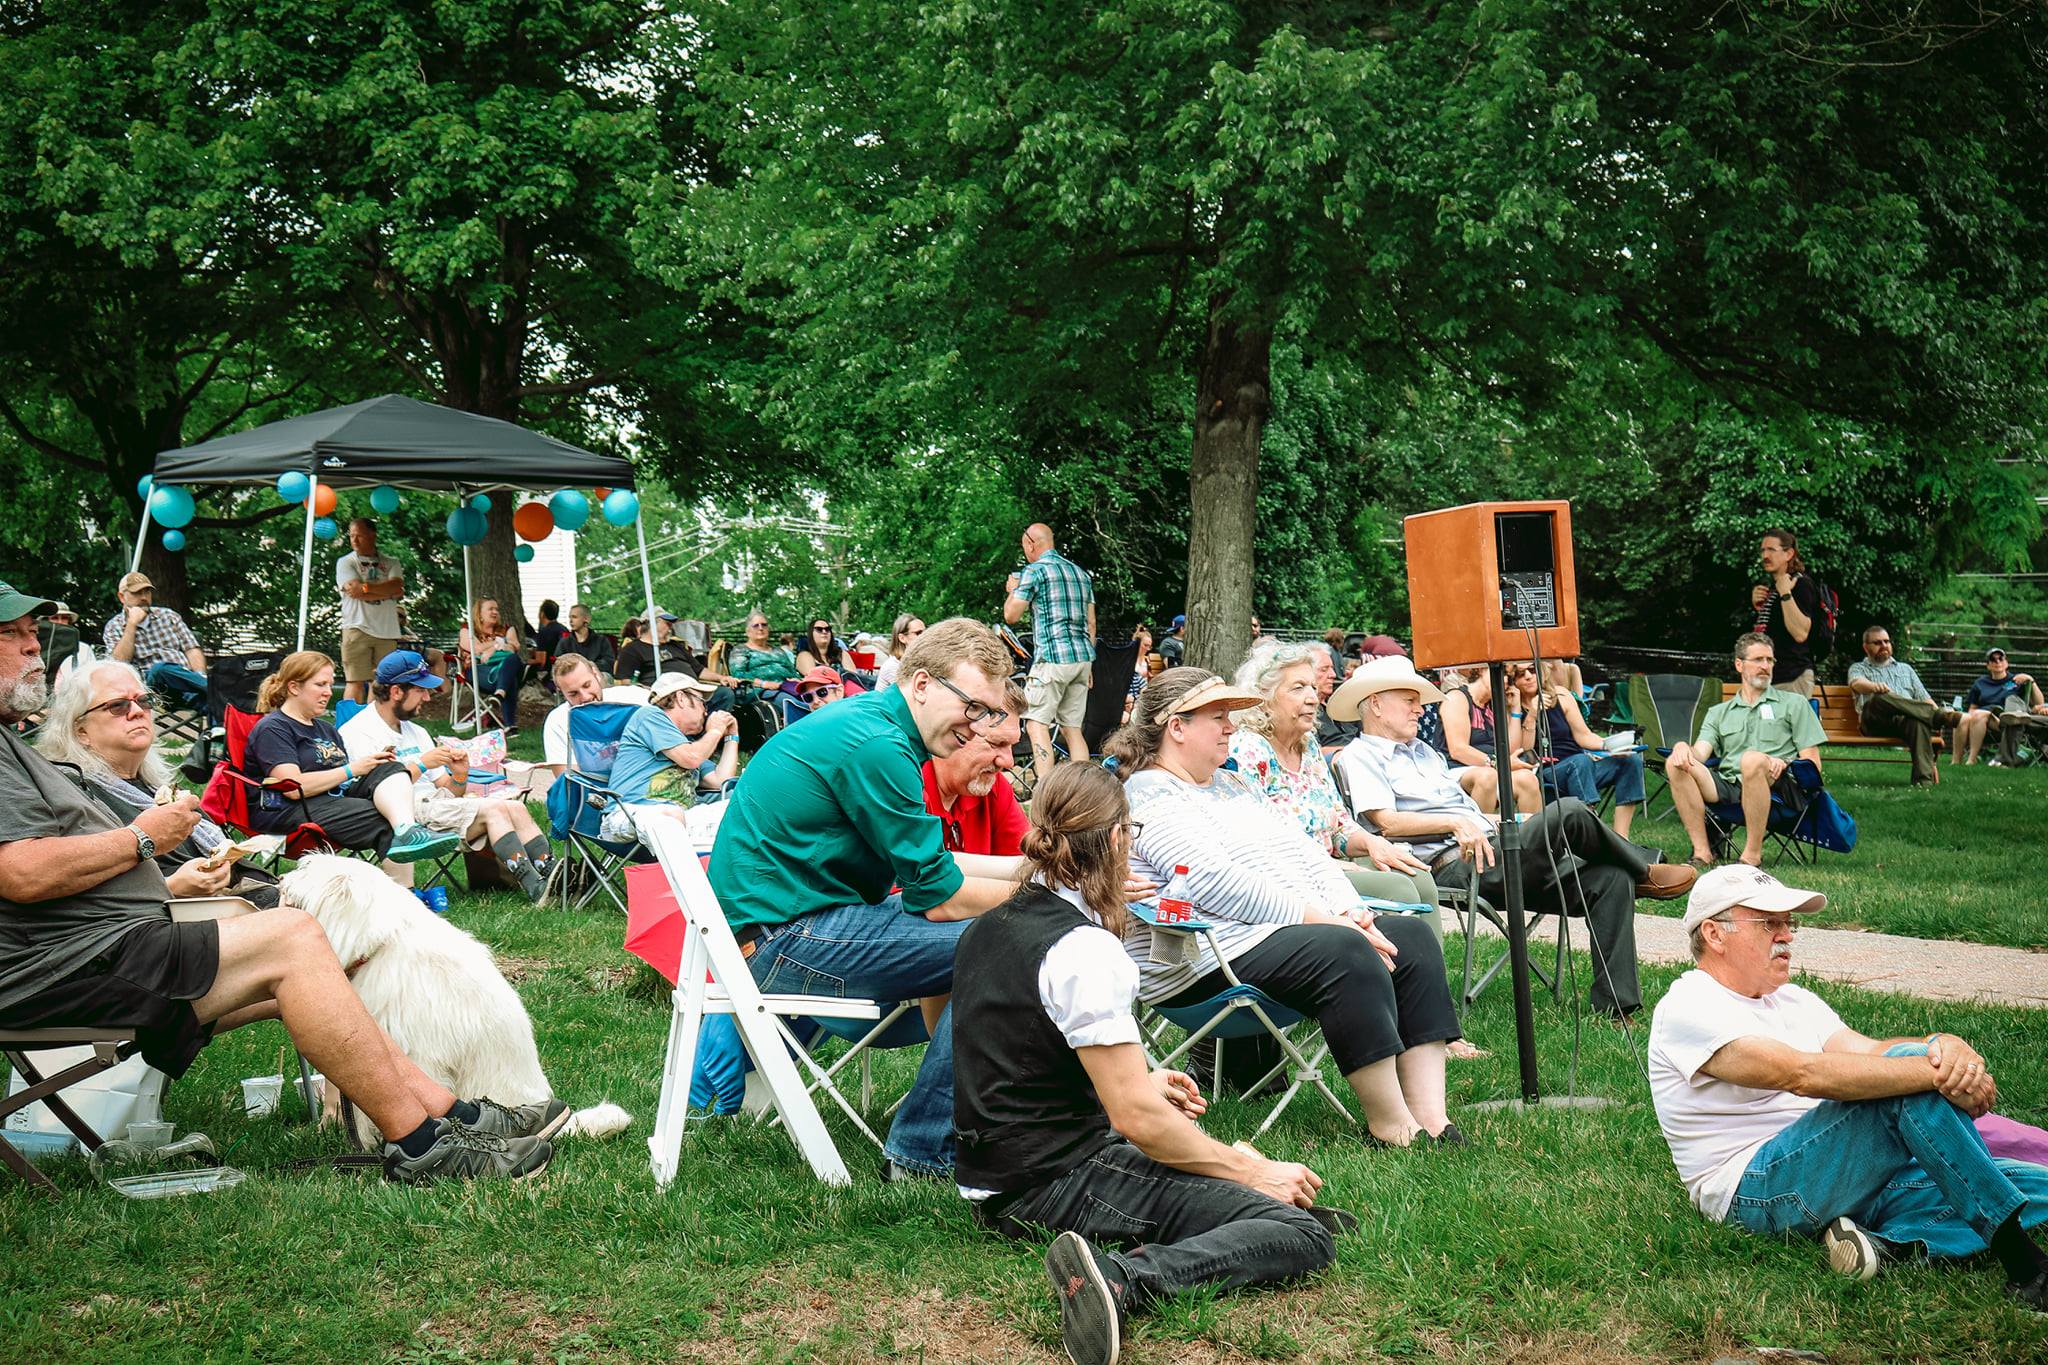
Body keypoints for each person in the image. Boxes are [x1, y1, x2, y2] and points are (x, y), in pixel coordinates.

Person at [0, 582, 558, 1183]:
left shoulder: (12, 745)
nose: (36, 648)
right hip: (58, 967)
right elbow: (21, 873)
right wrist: (144, 838)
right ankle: (424, 1145)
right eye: (14, 636)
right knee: (294, 938)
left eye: (34, 633)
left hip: (109, 944)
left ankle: (451, 1112)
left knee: (310, 965)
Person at [953, 763, 1341, 1365]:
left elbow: (1008, 1052)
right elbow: (1138, 1120)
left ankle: (1246, 1215)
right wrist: (1245, 1169)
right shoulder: (1085, 947)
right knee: (1301, 1233)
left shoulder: (993, 923)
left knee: (1257, 1200)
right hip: (1048, 1181)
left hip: (992, 1171)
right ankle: (1116, 1280)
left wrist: (1143, 1079)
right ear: (1114, 841)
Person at [709, 618, 1028, 1180]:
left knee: (1013, 936)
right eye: (972, 707)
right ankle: (925, 1151)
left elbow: (934, 865)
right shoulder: (880, 746)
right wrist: (1051, 897)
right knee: (1011, 946)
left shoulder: (874, 727)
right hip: (784, 944)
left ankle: (953, 1133)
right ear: (923, 684)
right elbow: (938, 896)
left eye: (986, 713)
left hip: (793, 928)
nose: (975, 726)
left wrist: (1040, 869)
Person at [1648, 865, 2047, 1309]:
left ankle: (1886, 1247)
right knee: (1903, 1083)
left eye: (1789, 923)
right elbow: (1799, 1075)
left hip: (1840, 1170)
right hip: (1755, 1190)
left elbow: (1872, 1053)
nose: (1787, 936)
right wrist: (1938, 1073)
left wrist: (1942, 1048)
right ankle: (2027, 1267)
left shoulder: (1795, 1000)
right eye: (1769, 923)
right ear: (1714, 934)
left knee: (2033, 1184)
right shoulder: (1688, 1005)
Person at [1104, 667, 1467, 1146]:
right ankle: (1392, 1125)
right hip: (1202, 958)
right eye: (1218, 717)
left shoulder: (1231, 786)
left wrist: (1351, 910)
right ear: (1177, 727)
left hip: (1274, 939)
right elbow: (1213, 884)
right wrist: (1329, 921)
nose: (1231, 727)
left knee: (1411, 938)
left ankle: (1432, 1120)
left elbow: (1307, 853)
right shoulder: (1149, 794)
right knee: (1342, 950)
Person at [1332, 656, 1695, 1021]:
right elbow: (1385, 823)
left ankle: (1617, 1008)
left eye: (1418, 699)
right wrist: (1455, 825)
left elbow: (1472, 816)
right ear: (1376, 704)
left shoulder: (1425, 753)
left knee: (1610, 880)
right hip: (1454, 864)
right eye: (1409, 700)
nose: (1419, 708)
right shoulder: (1360, 756)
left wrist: (1509, 822)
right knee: (1567, 811)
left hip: (1497, 853)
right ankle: (1645, 869)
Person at [38, 660, 281, 908]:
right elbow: (78, 891)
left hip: (233, 906)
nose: (137, 711)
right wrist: (171, 886)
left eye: (144, 701)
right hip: (167, 927)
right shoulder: (74, 793)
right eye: (117, 706)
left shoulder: (156, 790)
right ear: (81, 731)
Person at [1227, 641, 1437, 916]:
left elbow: (1339, 824)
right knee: (1398, 889)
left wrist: (1374, 843)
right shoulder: (1250, 749)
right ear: (1264, 697)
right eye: (1298, 688)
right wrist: (1328, 866)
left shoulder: (1308, 745)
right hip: (1287, 878)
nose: (1313, 698)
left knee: (1419, 877)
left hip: (1329, 865)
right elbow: (1256, 842)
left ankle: (1427, 960)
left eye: (1313, 687)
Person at [339, 650, 555, 901]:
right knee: (495, 810)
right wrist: (421, 764)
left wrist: (460, 776)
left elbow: (448, 790)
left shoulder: (417, 731)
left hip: (436, 805)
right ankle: (536, 888)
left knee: (513, 808)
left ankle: (551, 875)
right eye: (421, 690)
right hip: (403, 815)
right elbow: (372, 788)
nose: (428, 697)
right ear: (396, 692)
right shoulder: (359, 733)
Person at [243, 651, 461, 865]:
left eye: (330, 684)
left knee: (391, 770)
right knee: (383, 817)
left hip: (329, 800)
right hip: (286, 810)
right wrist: (352, 770)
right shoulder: (274, 728)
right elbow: (291, 787)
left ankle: (407, 831)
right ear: (294, 687)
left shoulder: (325, 730)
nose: (328, 692)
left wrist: (377, 768)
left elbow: (344, 782)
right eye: (320, 684)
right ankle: (406, 887)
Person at [1664, 633, 1827, 869]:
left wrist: (1787, 763)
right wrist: (1681, 747)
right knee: (1675, 763)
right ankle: (1702, 853)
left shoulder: (1794, 704)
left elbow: (1813, 763)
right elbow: (1699, 753)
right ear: (1739, 664)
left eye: (1770, 660)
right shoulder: (1719, 712)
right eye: (1758, 659)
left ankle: (1751, 856)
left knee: (1751, 760)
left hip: (1780, 784)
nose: (1765, 666)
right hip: (1730, 784)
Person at [1504, 662, 1646, 838]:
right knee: (1580, 761)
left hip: (1581, 767)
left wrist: (1611, 746)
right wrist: (1532, 715)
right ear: (1513, 680)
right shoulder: (1512, 707)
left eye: (1532, 670)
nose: (1528, 676)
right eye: (1520, 674)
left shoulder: (1561, 695)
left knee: (1630, 761)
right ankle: (1595, 836)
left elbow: (1583, 736)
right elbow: (1524, 751)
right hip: (1547, 772)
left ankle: (1622, 838)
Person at [597, 672, 742, 839]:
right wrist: (716, 730)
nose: (705, 711)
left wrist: (732, 736)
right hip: (629, 814)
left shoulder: (685, 745)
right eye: (702, 702)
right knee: (671, 817)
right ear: (681, 698)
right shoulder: (649, 715)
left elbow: (720, 781)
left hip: (678, 820)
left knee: (740, 809)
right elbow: (691, 758)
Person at [1004, 522, 1097, 778]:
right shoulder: (1081, 574)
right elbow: (1091, 622)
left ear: (1030, 544)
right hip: (1081, 660)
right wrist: (1089, 663)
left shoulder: (1035, 571)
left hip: (1053, 658)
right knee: (1072, 729)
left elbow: (1011, 615)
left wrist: (1012, 591)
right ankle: (1084, 789)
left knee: (1036, 724)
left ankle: (1046, 793)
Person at [923, 690, 1028, 858]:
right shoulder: (904, 788)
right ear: (953, 733)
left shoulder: (993, 786)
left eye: (1011, 746)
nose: (1009, 762)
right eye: (997, 743)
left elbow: (1025, 866)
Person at [1845, 625, 1953, 786]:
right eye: (1878, 642)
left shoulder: (1906, 669)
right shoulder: (1858, 668)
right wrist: (1874, 687)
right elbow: (1856, 683)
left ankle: (1924, 782)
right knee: (1880, 698)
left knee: (1917, 722)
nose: (1884, 645)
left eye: (1887, 641)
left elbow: (1924, 698)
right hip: (1875, 721)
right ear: (1865, 647)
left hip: (1903, 723)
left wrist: (1934, 709)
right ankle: (1938, 717)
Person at [1433, 665, 1540, 815]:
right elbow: (1458, 750)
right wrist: (1500, 765)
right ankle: (1483, 834)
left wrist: (1515, 709)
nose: (1504, 680)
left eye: (1509, 678)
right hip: (1455, 769)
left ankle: (1533, 836)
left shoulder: (1496, 705)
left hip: (1493, 768)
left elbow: (1511, 750)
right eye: (1501, 673)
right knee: (1487, 777)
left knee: (1528, 780)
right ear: (1482, 669)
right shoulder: (1457, 698)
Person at [539, 654, 653, 786]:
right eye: (573, 693)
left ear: (596, 675)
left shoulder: (634, 698)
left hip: (648, 783)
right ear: (561, 692)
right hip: (597, 795)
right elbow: (569, 781)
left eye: (587, 685)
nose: (585, 697)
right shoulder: (558, 721)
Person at [101, 571, 207, 709]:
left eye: (147, 592)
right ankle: (213, 686)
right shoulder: (114, 626)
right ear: (122, 597)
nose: (144, 597)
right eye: (137, 593)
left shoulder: (169, 616)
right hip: (151, 693)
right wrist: (131, 625)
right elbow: (119, 664)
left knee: (214, 701)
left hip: (185, 685)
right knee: (160, 670)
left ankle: (217, 727)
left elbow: (192, 649)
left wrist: (199, 675)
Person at [335, 517, 405, 705]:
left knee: (382, 682)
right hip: (357, 627)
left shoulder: (391, 562)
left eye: (359, 536)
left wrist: (365, 589)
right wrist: (386, 590)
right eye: (351, 536)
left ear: (372, 535)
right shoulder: (345, 562)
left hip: (387, 630)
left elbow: (398, 585)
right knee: (354, 680)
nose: (354, 540)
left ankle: (375, 725)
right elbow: (354, 590)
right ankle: (348, 725)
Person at [1750, 528, 1824, 699]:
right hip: (1771, 677)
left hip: (1791, 677)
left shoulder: (1800, 584)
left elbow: (1800, 633)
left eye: (1771, 550)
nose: (1765, 556)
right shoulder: (1776, 587)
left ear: (1789, 553)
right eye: (1763, 550)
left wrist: (1785, 594)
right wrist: (1760, 608)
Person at [1961, 647, 2048, 767]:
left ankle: (2001, 760)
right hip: (1985, 721)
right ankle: (1959, 760)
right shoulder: (1980, 683)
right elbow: (1973, 708)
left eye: (2001, 659)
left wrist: (2031, 680)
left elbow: (2039, 703)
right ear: (1988, 665)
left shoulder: (2016, 680)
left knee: (2013, 706)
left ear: (2007, 663)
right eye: (1993, 660)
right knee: (1970, 716)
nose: (1998, 662)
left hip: (2005, 720)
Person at [458, 598, 525, 733]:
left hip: (503, 668)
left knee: (512, 659)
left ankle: (500, 694)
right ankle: (509, 724)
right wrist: (500, 642)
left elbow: (513, 647)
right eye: (490, 609)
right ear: (479, 613)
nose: (495, 612)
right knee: (510, 677)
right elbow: (475, 648)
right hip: (477, 670)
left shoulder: (507, 628)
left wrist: (492, 649)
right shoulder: (467, 630)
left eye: (496, 609)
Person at [615, 608, 698, 686]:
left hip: (692, 687)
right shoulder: (632, 650)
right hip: (661, 693)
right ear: (653, 624)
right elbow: (627, 683)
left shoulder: (676, 645)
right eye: (667, 624)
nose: (670, 628)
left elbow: (700, 670)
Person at [1310, 646, 1361, 756]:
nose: (1333, 674)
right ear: (1307, 673)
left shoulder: (1340, 702)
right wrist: (1359, 752)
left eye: (1332, 668)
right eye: (1324, 669)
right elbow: (1313, 754)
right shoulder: (1306, 710)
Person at [554, 603, 618, 681]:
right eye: (570, 617)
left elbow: (608, 662)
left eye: (574, 617)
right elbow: (558, 664)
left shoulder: (601, 641)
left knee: (604, 677)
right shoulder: (564, 643)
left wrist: (587, 667)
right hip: (572, 678)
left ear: (586, 619)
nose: (570, 621)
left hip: (596, 675)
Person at [875, 613, 925, 691]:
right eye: (918, 633)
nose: (924, 637)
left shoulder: (918, 661)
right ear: (902, 638)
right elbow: (914, 695)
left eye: (926, 632)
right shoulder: (893, 666)